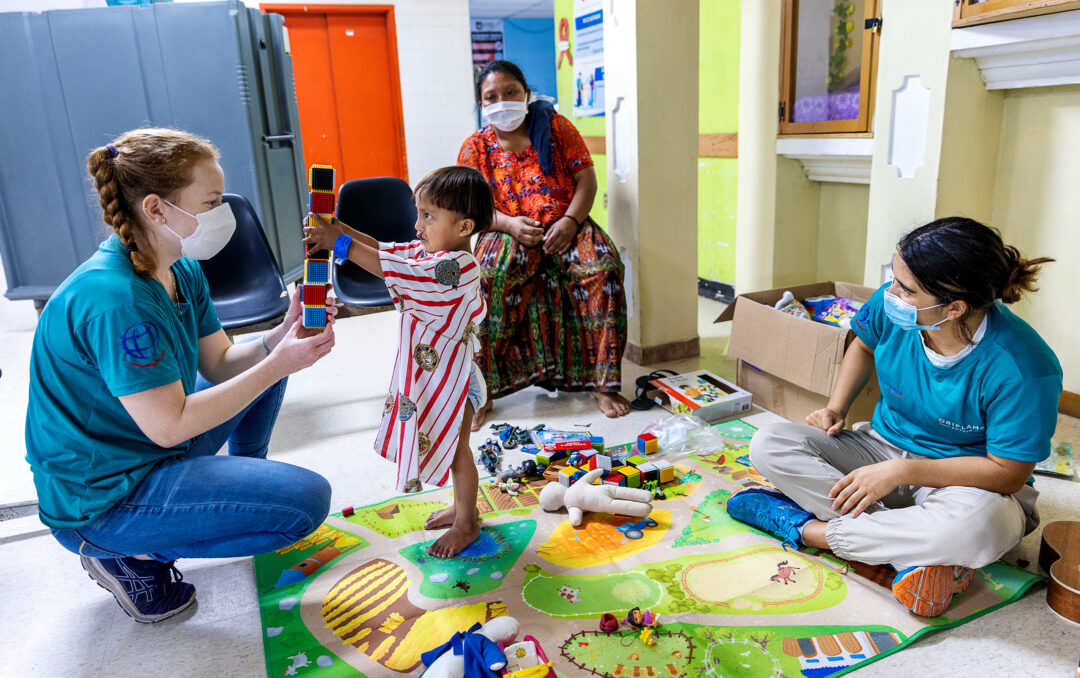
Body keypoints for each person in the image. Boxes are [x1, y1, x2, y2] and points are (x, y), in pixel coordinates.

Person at [25, 129, 337, 623]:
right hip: (103, 498)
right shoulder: (115, 299)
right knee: (304, 503)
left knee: (263, 368)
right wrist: (280, 362)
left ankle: (237, 484)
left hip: (143, 446)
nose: (223, 212)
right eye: (211, 202)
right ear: (155, 209)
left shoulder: (178, 268)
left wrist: (282, 335)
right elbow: (169, 425)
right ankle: (126, 555)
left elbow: (220, 365)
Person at [727, 217, 1061, 618]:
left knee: (978, 527)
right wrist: (836, 407)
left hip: (966, 484)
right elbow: (864, 346)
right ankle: (914, 556)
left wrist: (902, 473)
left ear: (954, 308)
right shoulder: (897, 307)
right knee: (770, 443)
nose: (892, 294)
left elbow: (1008, 474)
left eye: (907, 289)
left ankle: (806, 530)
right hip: (880, 448)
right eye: (895, 279)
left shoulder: (1023, 367)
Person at [304, 166, 491, 558]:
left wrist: (339, 244)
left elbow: (398, 271)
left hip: (455, 380)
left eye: (428, 216)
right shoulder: (432, 252)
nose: (417, 224)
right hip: (442, 373)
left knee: (458, 453)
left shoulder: (456, 268)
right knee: (452, 448)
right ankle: (461, 509)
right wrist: (342, 229)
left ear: (464, 226)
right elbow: (388, 251)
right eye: (418, 213)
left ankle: (467, 523)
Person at [457, 60, 629, 430]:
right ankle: (480, 392)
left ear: (526, 93)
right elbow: (473, 208)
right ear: (481, 104)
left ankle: (602, 384)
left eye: (511, 92)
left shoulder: (556, 128)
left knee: (603, 268)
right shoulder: (475, 148)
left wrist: (570, 221)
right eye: (491, 97)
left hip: (568, 223)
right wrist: (509, 225)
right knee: (486, 276)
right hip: (504, 227)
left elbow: (586, 180)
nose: (502, 101)